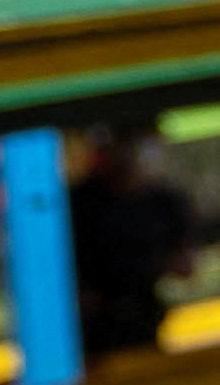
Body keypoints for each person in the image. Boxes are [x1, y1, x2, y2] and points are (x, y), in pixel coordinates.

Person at [69, 124, 201, 362]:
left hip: (145, 318)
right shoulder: (78, 205)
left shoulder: (165, 202)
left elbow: (185, 267)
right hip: (95, 334)